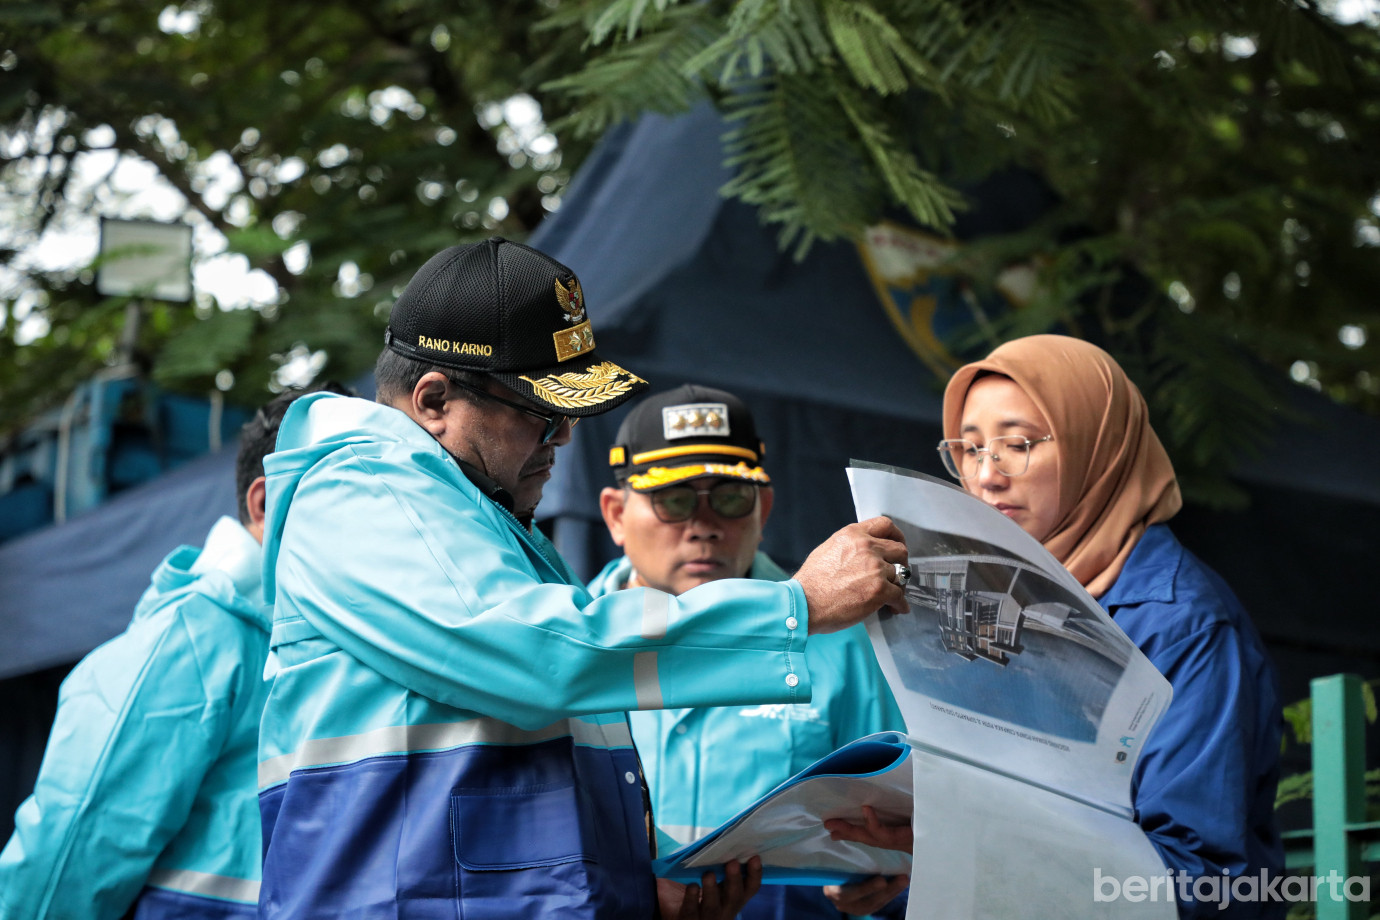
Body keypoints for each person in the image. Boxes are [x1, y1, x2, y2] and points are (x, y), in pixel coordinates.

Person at [254, 237, 911, 920]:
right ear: (433, 400)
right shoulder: (364, 492)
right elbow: (539, 659)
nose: (564, 438)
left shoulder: (485, 525)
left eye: (569, 413)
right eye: (541, 411)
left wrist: (630, 892)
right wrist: (795, 607)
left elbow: (516, 797)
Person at [827, 334, 1284, 920]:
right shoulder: (991, 600)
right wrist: (901, 880)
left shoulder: (1184, 624)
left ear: (1100, 449)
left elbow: (1204, 885)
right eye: (967, 450)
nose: (986, 476)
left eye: (1016, 444)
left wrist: (974, 846)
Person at [0, 383, 337, 920]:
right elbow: (75, 847)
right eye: (341, 499)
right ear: (264, 503)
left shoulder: (314, 639)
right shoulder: (196, 636)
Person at [589, 383, 910, 920]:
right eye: (674, 499)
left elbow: (898, 826)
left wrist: (882, 885)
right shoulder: (569, 649)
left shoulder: (842, 641)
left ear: (763, 506)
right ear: (616, 515)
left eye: (730, 497)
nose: (705, 526)